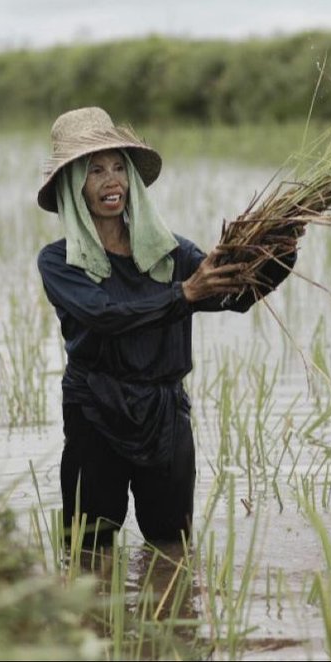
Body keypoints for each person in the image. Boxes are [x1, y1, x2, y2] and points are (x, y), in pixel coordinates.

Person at [37, 106, 297, 549]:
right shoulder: (60, 261)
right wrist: (183, 295)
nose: (111, 181)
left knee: (172, 544)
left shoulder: (171, 252)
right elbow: (105, 315)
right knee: (87, 548)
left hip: (164, 413)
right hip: (95, 408)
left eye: (119, 167)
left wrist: (278, 251)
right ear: (73, 186)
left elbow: (232, 297)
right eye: (95, 170)